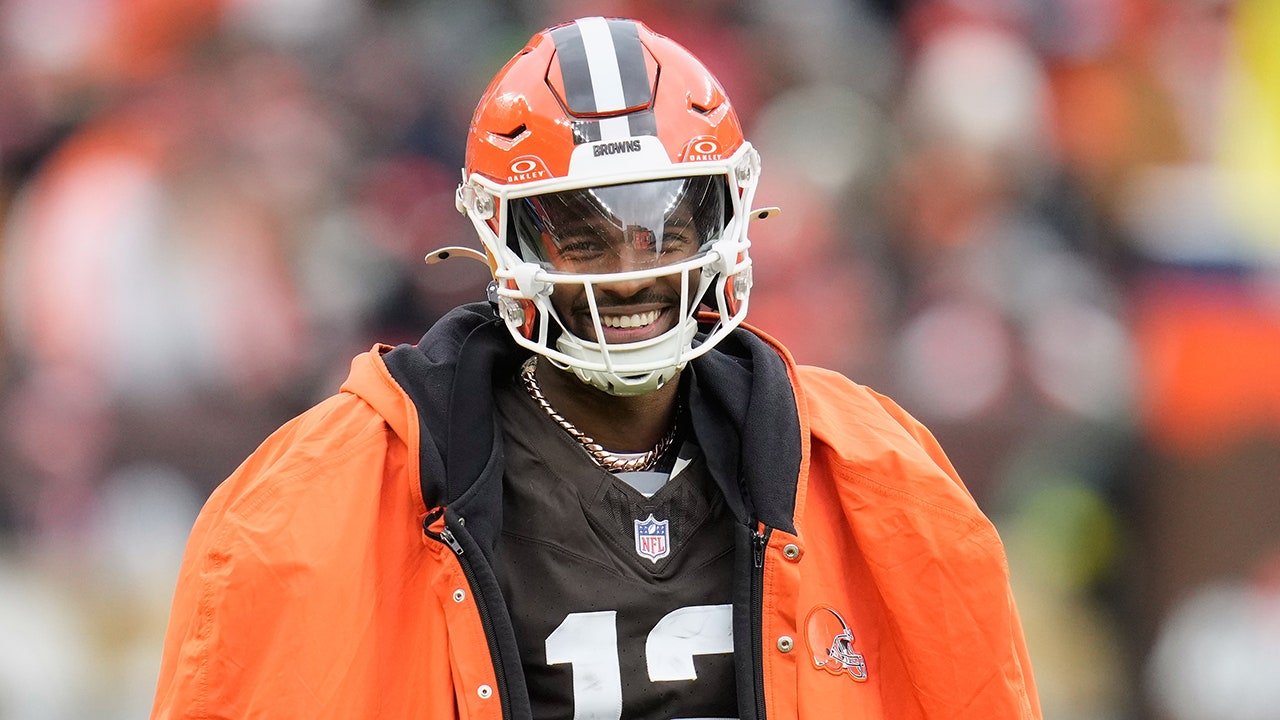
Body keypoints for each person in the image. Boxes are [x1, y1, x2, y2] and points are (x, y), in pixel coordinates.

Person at [151, 17, 1040, 720]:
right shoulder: (311, 505)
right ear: (501, 237)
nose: (632, 271)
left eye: (667, 226)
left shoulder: (879, 476)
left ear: (728, 220)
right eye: (581, 235)